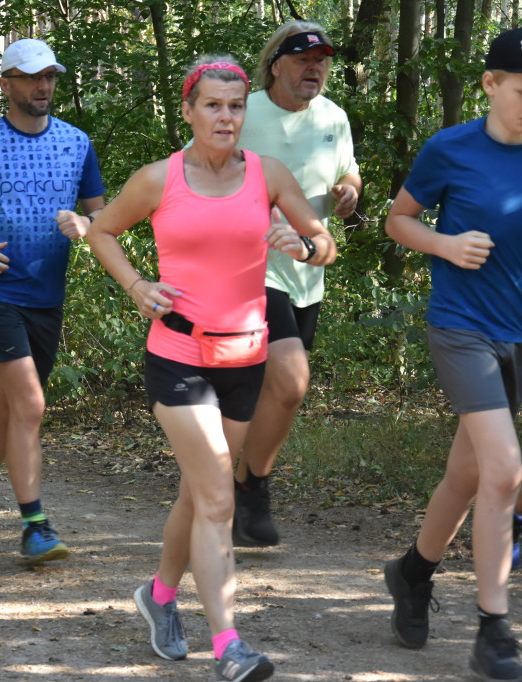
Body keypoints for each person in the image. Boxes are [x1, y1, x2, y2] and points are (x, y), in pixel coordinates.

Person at [87, 56, 335, 679]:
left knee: (200, 494)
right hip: (177, 355)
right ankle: (229, 646)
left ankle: (160, 596)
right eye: (214, 106)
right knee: (219, 496)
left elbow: (324, 243)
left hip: (244, 356)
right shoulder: (157, 179)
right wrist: (137, 283)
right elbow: (102, 232)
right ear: (189, 111)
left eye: (236, 106)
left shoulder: (268, 174)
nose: (226, 117)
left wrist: (304, 245)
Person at [382, 28, 522, 681]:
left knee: (468, 477)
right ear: (491, 85)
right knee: (504, 471)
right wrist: (444, 245)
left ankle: (412, 574)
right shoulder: (451, 149)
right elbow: (397, 220)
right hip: (464, 329)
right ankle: (494, 629)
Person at [0, 38, 105, 564]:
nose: (44, 87)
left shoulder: (77, 143)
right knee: (31, 403)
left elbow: (104, 220)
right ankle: (35, 524)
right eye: (32, 77)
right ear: (5, 83)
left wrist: (85, 223)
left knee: (13, 408)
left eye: (50, 77)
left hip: (47, 295)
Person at [229, 20, 362, 547]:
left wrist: (350, 190)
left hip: (309, 268)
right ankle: (251, 488)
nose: (316, 68)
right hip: (248, 266)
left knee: (278, 393)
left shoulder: (334, 117)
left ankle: (241, 483)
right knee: (290, 377)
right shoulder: (243, 111)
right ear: (275, 64)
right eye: (304, 58)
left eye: (322, 60)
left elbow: (349, 172)